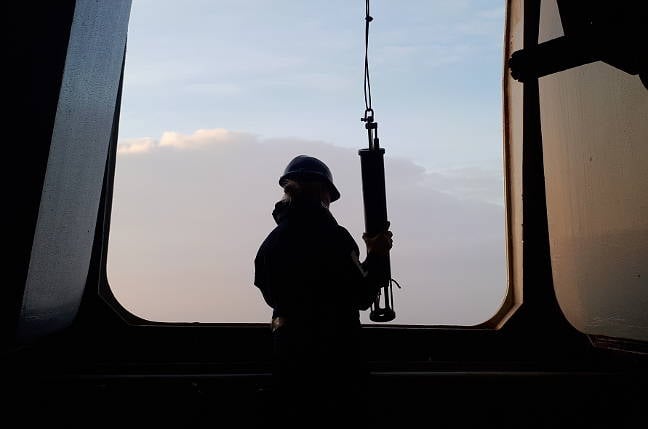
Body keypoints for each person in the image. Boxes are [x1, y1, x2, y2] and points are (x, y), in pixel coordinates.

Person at [253, 154, 393, 427]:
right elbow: (362, 295)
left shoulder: (270, 245)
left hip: (288, 360)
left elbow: (270, 293)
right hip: (337, 363)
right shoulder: (335, 238)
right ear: (323, 192)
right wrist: (376, 255)